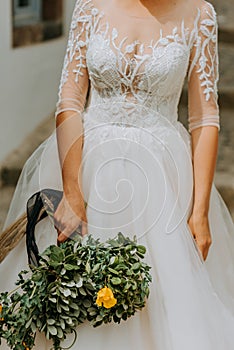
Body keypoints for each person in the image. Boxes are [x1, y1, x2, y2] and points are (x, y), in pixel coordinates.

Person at [1, 0, 234, 348]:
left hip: (163, 182)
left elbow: (204, 118)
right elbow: (69, 101)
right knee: (69, 296)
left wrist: (199, 211)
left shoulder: (199, 14)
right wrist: (72, 190)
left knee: (162, 298)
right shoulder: (90, 7)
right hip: (87, 168)